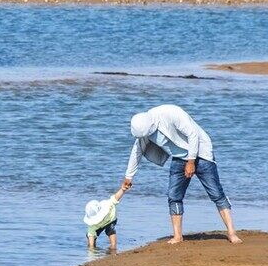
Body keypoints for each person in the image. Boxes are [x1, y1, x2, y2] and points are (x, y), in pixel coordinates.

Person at [121, 104, 242, 244]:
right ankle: (178, 236)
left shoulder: (171, 113)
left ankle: (232, 233)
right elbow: (137, 150)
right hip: (179, 157)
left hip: (201, 152)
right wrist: (128, 176)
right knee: (174, 196)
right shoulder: (143, 128)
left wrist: (191, 162)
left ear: (151, 125)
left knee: (216, 193)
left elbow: (193, 134)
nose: (146, 137)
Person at [84, 182, 128, 251]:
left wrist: (122, 189)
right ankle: (92, 247)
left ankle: (113, 247)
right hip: (98, 226)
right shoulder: (92, 225)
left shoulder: (108, 205)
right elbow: (91, 235)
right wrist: (92, 251)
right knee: (90, 238)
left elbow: (116, 198)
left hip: (110, 219)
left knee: (110, 230)